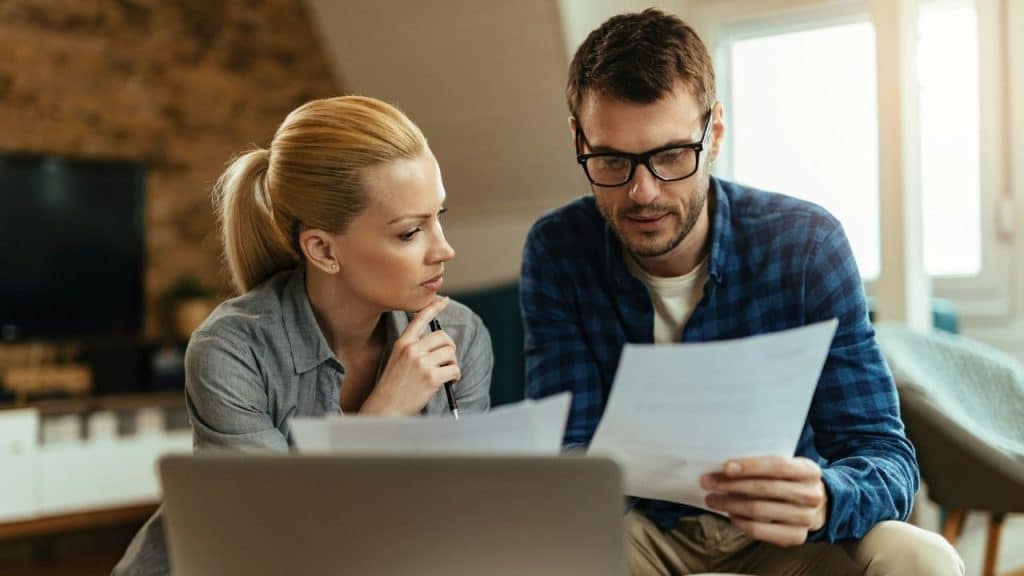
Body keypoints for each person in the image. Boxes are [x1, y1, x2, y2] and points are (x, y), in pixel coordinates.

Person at [521, 9, 962, 576]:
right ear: (579, 140)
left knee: (922, 558)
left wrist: (826, 498)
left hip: (787, 534)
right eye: (611, 160)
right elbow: (568, 459)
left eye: (672, 155)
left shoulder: (806, 244)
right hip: (642, 532)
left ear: (715, 134)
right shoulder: (558, 250)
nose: (643, 191)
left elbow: (886, 455)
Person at [114, 96, 493, 575]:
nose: (445, 250)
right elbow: (271, 541)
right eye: (409, 232)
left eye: (440, 216)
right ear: (321, 248)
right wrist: (383, 413)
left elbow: (459, 517)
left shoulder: (462, 334)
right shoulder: (231, 351)